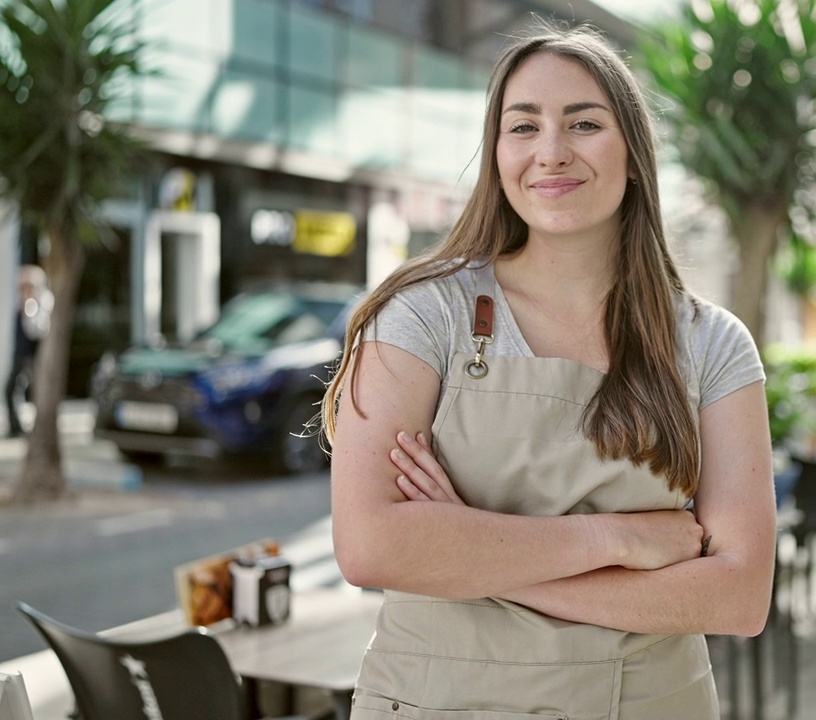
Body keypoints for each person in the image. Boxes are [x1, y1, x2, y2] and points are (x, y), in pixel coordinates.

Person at [320, 24, 775, 719]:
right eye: (522, 126)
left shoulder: (712, 344)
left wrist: (471, 551)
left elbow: (738, 598)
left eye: (584, 123)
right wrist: (615, 538)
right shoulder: (421, 318)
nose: (551, 152)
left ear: (633, 157)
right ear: (498, 154)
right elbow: (371, 545)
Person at [6, 265, 52, 437]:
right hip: (20, 356)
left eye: (25, 286)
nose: (22, 290)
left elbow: (36, 330)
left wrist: (28, 308)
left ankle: (32, 428)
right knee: (12, 390)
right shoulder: (25, 302)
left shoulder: (40, 302)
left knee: (31, 391)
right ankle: (16, 427)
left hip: (31, 357)